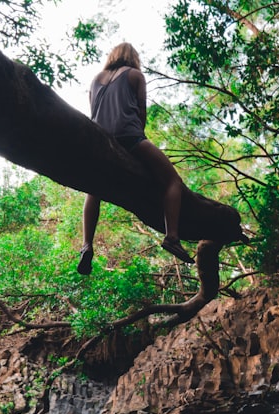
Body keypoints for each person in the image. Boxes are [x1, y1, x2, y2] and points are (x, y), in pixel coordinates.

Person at [78, 42, 193, 275]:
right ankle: (172, 236)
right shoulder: (135, 75)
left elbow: (94, 114)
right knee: (173, 181)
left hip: (101, 139)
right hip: (129, 136)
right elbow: (141, 114)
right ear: (133, 57)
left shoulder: (95, 78)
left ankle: (86, 245)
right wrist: (138, 140)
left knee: (94, 190)